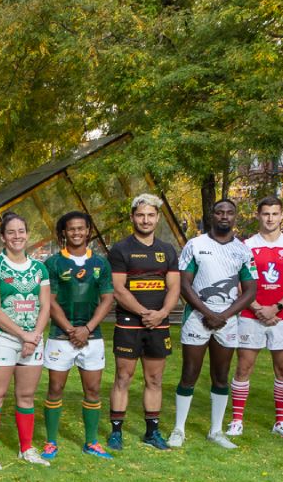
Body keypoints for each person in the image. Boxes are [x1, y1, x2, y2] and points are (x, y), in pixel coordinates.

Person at [169, 199, 257, 450]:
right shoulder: (195, 245)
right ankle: (179, 429)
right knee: (189, 374)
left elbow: (251, 290)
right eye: (219, 212)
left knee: (220, 377)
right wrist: (208, 312)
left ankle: (216, 431)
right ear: (212, 215)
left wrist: (224, 315)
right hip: (197, 318)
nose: (224, 217)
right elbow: (185, 284)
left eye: (229, 212)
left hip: (227, 321)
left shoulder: (242, 250)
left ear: (235, 217)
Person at [228, 197, 283, 439]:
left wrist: (276, 307)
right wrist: (258, 307)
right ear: (258, 215)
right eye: (266, 214)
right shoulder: (245, 245)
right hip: (251, 315)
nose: (270, 218)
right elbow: (239, 283)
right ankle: (236, 421)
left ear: (282, 215)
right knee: (243, 368)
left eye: (275, 213)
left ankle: (281, 422)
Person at [106, 194, 179, 451]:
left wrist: (160, 313)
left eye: (150, 215)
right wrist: (144, 312)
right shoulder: (120, 249)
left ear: (157, 218)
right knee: (123, 377)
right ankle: (116, 432)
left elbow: (174, 288)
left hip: (159, 323)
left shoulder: (167, 250)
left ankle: (152, 432)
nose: (145, 220)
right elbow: (118, 289)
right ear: (132, 217)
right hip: (129, 323)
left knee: (155, 379)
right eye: (140, 215)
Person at [0, 212, 52, 470]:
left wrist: (34, 336)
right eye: (11, 232)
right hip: (2, 338)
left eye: (21, 231)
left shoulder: (39, 268)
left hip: (33, 338)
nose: (17, 236)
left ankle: (26, 449)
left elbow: (45, 306)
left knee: (26, 396)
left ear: (27, 234)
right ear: (3, 237)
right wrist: (23, 336)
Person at [41, 211, 115, 460]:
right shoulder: (52, 263)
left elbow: (107, 299)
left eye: (81, 228)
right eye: (71, 229)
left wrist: (87, 329)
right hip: (60, 336)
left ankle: (91, 442)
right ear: (64, 232)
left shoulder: (101, 263)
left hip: (92, 337)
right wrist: (72, 330)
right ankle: (51, 442)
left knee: (93, 389)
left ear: (88, 231)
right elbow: (49, 301)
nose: (76, 233)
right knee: (55, 387)